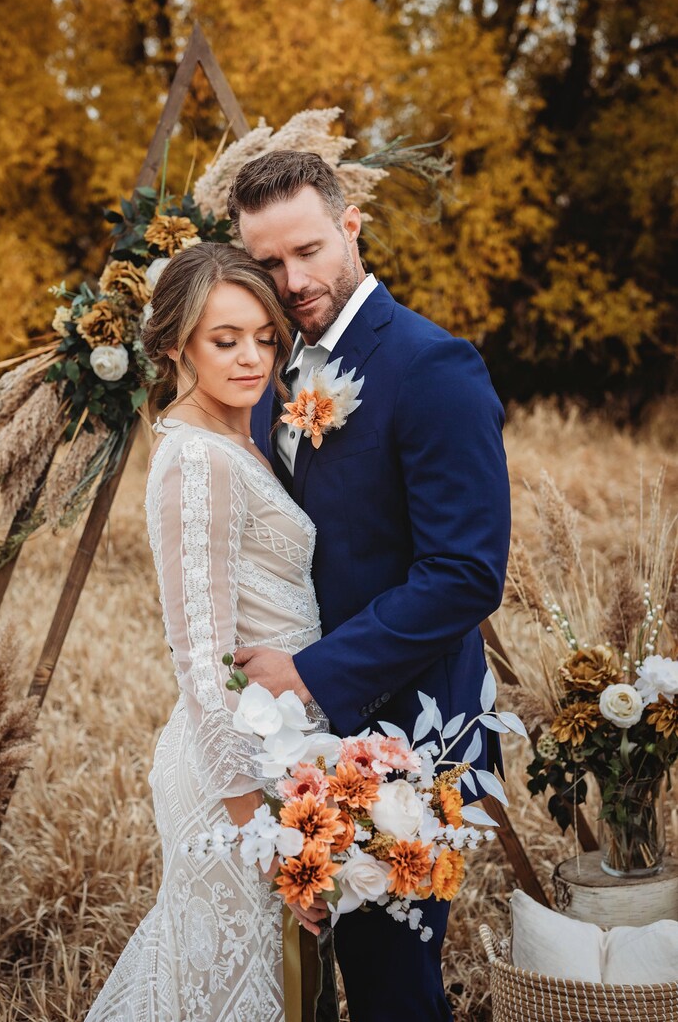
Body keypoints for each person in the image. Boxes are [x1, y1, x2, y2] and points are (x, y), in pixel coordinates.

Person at [230, 150, 511, 1022]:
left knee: (392, 989)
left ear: (351, 226)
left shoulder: (432, 365)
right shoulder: (276, 370)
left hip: (411, 746)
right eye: (268, 264)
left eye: (309, 250)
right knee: (313, 982)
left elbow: (466, 572)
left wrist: (313, 673)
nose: (293, 279)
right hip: (306, 742)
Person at [84, 242, 326, 1021]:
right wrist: (263, 836)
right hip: (233, 783)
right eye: (226, 340)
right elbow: (200, 654)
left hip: (277, 758)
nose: (252, 356)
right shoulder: (196, 459)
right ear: (175, 346)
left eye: (263, 334)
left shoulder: (241, 437)